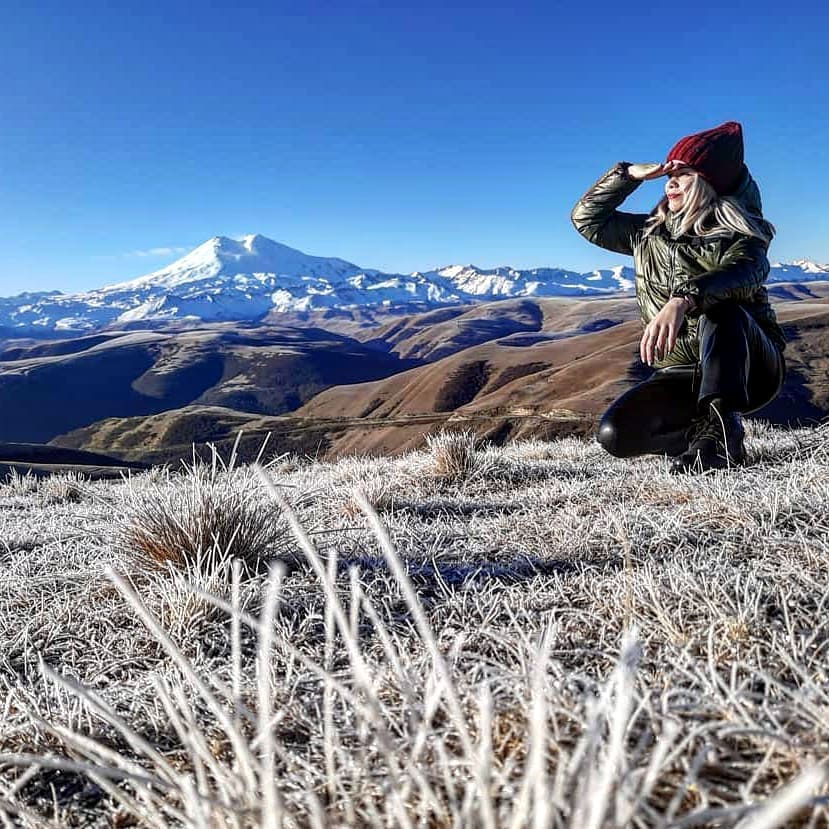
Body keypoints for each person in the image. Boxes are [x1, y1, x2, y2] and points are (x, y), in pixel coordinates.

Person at [571, 121, 786, 473]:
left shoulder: (744, 235)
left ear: (709, 182)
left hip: (748, 366)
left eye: (684, 173)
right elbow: (587, 219)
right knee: (615, 435)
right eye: (670, 173)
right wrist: (629, 175)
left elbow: (744, 272)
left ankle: (723, 434)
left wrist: (683, 299)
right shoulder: (647, 234)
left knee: (722, 311)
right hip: (679, 372)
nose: (670, 182)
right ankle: (704, 437)